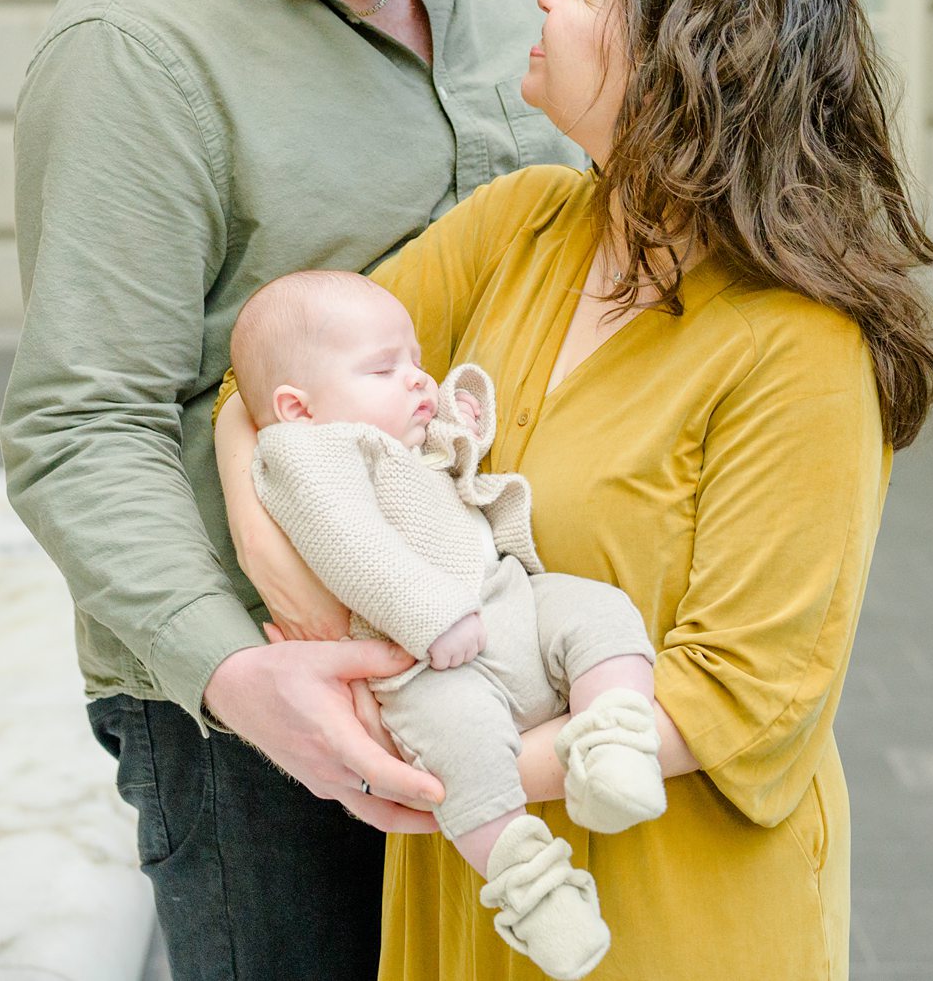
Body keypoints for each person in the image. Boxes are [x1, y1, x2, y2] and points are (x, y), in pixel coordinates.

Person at [217, 0, 933, 978]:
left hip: (667, 912)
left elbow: (739, 694)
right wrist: (312, 599)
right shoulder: (519, 224)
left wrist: (434, 756)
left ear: (678, 68)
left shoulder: (802, 348)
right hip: (475, 894)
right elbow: (269, 388)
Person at [0, 0, 581, 981]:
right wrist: (239, 674)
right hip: (262, 711)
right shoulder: (135, 49)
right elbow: (82, 426)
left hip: (489, 635)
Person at [230, 269, 666, 979]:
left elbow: (453, 465)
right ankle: (533, 888)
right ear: (296, 406)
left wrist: (458, 416)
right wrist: (429, 617)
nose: (415, 378)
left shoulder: (390, 436)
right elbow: (352, 545)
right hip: (422, 661)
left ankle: (614, 735)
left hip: (509, 600)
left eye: (415, 359)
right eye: (385, 366)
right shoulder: (305, 453)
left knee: (599, 609)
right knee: (463, 759)